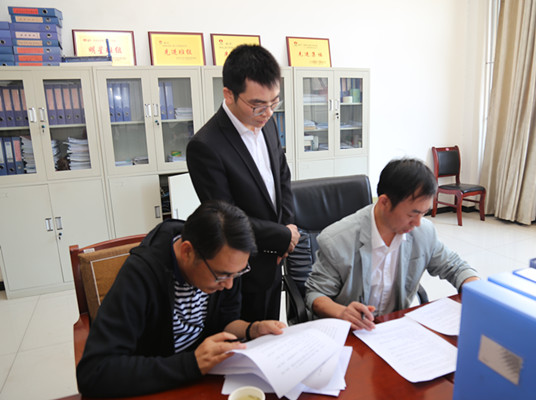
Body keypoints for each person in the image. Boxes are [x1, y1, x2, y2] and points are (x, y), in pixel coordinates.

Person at [76, 200, 286, 398]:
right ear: (187, 251)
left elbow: (225, 320)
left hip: (205, 379)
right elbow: (94, 372)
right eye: (222, 275)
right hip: (156, 384)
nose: (229, 284)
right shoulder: (140, 276)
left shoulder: (226, 265)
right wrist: (192, 364)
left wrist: (252, 329)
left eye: (237, 273)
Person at [187, 44, 299, 322]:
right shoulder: (206, 146)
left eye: (274, 102)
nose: (268, 113)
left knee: (271, 331)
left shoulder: (268, 122)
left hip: (275, 260)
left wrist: (287, 229)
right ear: (229, 94)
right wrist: (282, 236)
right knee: (244, 338)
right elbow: (227, 218)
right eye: (257, 105)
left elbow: (282, 177)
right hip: (239, 271)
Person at [304, 158, 480, 331]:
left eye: (424, 213)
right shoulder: (337, 240)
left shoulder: (424, 232)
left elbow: (455, 267)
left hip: (394, 328)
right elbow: (315, 294)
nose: (418, 223)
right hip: (351, 331)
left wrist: (477, 290)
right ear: (384, 203)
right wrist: (342, 312)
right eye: (412, 214)